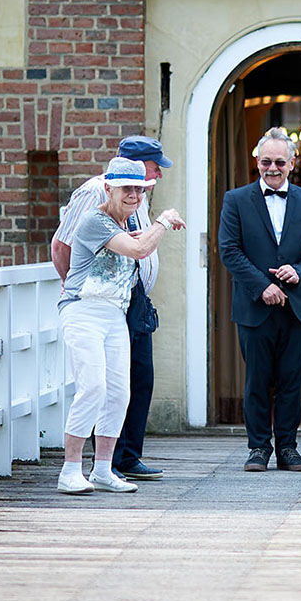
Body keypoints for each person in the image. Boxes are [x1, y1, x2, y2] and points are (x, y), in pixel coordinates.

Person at [55, 157, 184, 494]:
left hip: (114, 313)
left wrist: (148, 229)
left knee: (118, 393)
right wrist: (164, 221)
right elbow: (140, 250)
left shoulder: (122, 224)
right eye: (127, 188)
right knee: (92, 387)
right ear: (108, 188)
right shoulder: (94, 220)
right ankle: (70, 470)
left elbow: (135, 242)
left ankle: (102, 469)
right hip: (83, 310)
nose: (134, 195)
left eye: (139, 190)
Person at [218, 127, 301, 473]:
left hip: (295, 304)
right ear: (257, 160)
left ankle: (288, 448)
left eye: (280, 162)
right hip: (255, 305)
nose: (273, 168)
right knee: (257, 381)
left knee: (291, 382)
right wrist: (261, 287)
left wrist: (300, 272)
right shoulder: (236, 200)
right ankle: (257, 449)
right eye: (266, 161)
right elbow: (229, 251)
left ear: (292, 163)